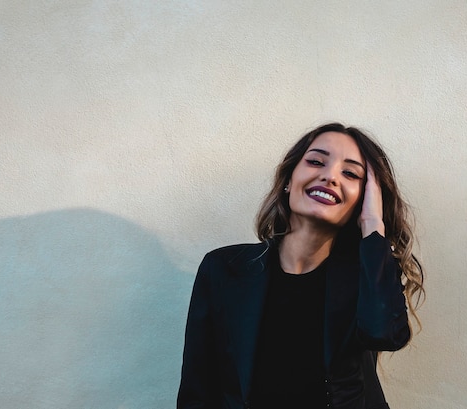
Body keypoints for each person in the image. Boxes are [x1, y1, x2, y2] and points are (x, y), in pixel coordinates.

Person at [177, 123, 425, 409]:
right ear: (289, 179)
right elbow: (198, 388)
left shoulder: (370, 273)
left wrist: (372, 223)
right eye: (316, 161)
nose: (329, 176)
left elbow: (384, 334)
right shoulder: (224, 268)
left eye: (350, 173)